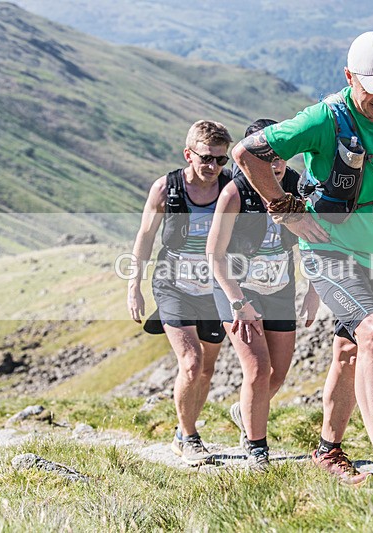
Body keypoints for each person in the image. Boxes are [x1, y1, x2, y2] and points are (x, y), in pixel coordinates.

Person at [231, 31, 373, 490]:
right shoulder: (324, 119)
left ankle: (327, 451)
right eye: (372, 88)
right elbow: (248, 153)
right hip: (327, 247)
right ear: (348, 77)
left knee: (351, 349)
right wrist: (286, 209)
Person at [207, 119, 320, 472]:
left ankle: (246, 411)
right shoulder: (234, 192)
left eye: (280, 157)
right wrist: (238, 302)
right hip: (237, 288)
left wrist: (313, 292)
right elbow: (214, 254)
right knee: (258, 369)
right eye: (265, 158)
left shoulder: (296, 187)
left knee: (279, 373)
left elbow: (315, 241)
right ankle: (256, 447)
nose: (274, 164)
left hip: (280, 288)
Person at [127, 120, 233, 466]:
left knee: (207, 368)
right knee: (191, 362)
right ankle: (188, 437)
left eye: (221, 160)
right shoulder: (166, 188)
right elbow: (145, 236)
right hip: (173, 285)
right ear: (189, 154)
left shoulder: (230, 188)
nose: (214, 167)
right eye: (207, 158)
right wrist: (134, 287)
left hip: (214, 288)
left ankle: (183, 428)